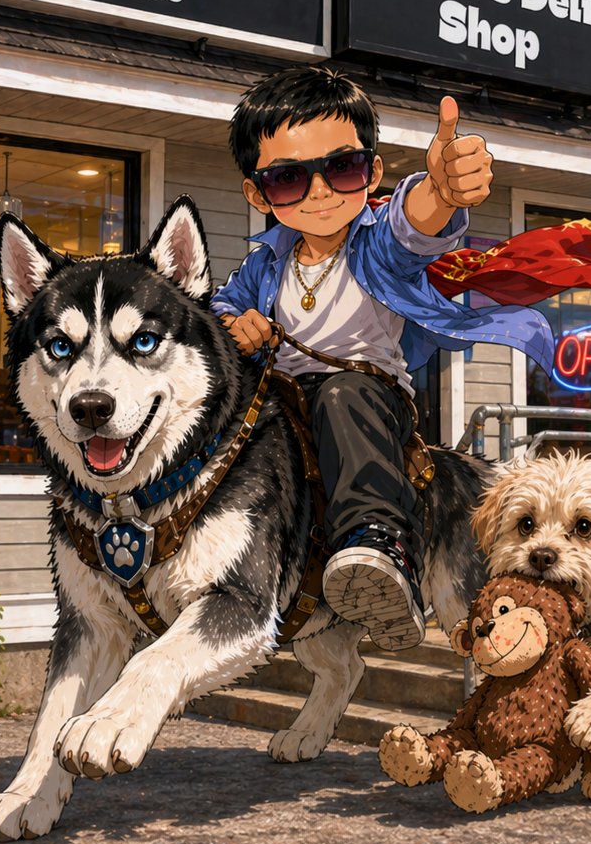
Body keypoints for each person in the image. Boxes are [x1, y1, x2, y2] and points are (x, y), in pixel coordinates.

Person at [213, 65, 551, 652]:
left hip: (366, 400)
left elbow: (413, 225)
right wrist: (234, 324)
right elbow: (215, 309)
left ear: (371, 172)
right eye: (289, 179)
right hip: (282, 411)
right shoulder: (263, 264)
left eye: (340, 168)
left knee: (343, 393)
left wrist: (440, 192)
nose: (319, 193)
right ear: (257, 193)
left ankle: (379, 542)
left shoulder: (375, 246)